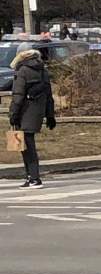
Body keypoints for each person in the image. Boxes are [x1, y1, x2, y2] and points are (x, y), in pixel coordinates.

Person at [9, 49, 55, 188]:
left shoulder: (22, 70)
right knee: (27, 144)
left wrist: (13, 114)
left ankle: (34, 178)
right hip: (37, 112)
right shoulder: (43, 70)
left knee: (27, 147)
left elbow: (18, 95)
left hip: (24, 112)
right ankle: (31, 177)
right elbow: (49, 95)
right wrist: (50, 115)